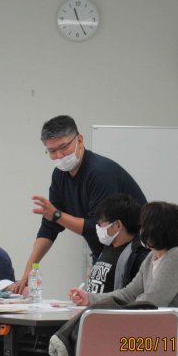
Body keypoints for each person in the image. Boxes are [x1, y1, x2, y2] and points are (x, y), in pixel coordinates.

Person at [69, 201, 178, 356]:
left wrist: (111, 310)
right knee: (105, 350)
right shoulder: (152, 257)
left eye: (144, 225)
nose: (141, 230)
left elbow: (151, 301)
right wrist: (90, 298)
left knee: (111, 351)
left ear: (156, 228)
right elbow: (129, 293)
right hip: (163, 339)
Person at [13, 115, 146, 293]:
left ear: (80, 140)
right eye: (52, 151)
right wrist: (30, 269)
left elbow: (97, 227)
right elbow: (50, 225)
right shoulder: (59, 175)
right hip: (104, 254)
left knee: (117, 303)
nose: (59, 155)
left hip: (132, 255)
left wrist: (57, 215)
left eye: (64, 147)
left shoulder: (99, 172)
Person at [86, 193, 149, 294]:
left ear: (117, 225)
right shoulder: (107, 248)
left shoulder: (139, 256)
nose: (98, 227)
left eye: (101, 223)